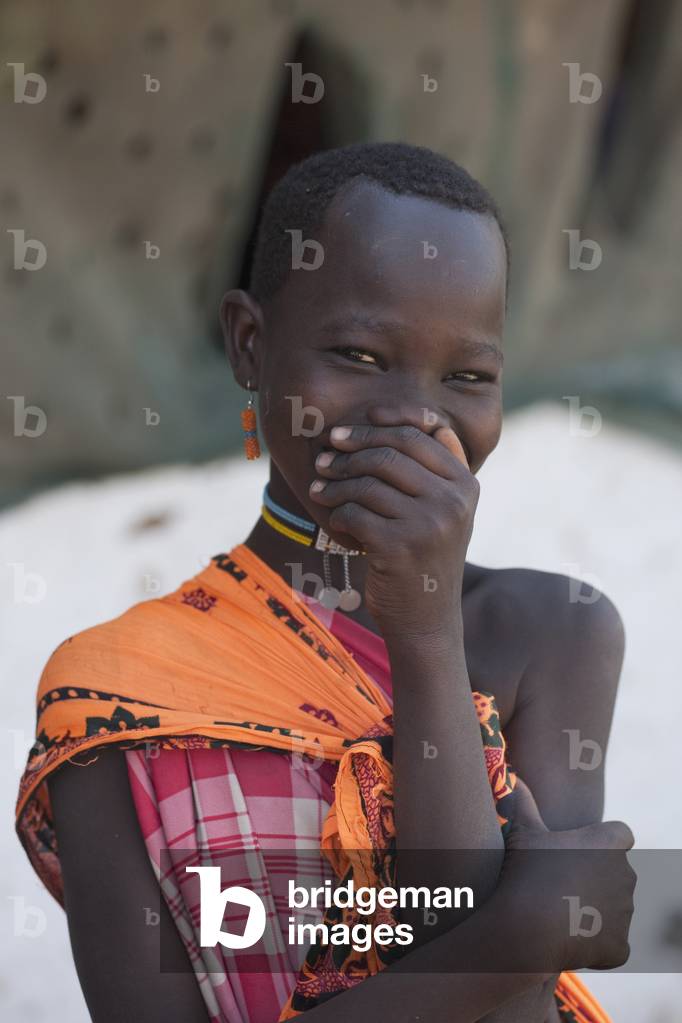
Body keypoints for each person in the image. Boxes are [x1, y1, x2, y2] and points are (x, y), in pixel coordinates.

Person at [15, 141, 635, 1023]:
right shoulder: (115, 696)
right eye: (360, 356)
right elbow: (503, 960)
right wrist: (518, 936)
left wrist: (425, 633)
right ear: (250, 345)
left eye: (468, 377)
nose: (415, 417)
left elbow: (508, 1012)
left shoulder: (554, 634)